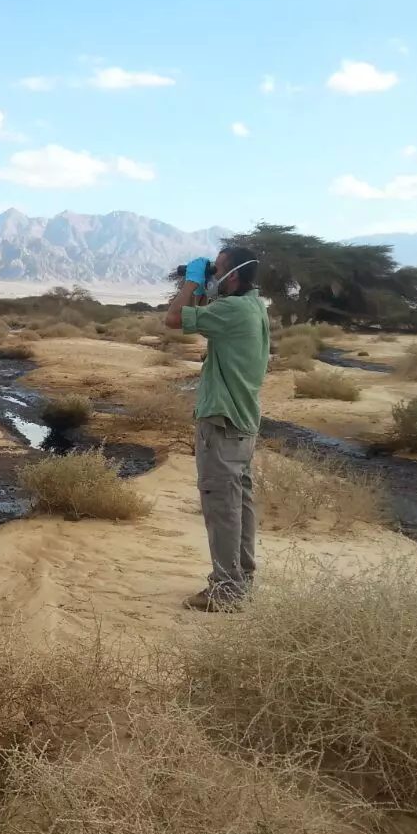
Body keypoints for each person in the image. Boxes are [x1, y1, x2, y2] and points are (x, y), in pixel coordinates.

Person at [164, 246, 270, 612]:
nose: (213, 275)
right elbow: (210, 307)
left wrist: (192, 281)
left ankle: (226, 590)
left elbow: (174, 318)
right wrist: (208, 283)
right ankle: (242, 580)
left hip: (221, 422)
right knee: (239, 503)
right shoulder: (253, 305)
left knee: (221, 506)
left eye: (218, 270)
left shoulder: (232, 309)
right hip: (243, 421)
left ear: (234, 276)